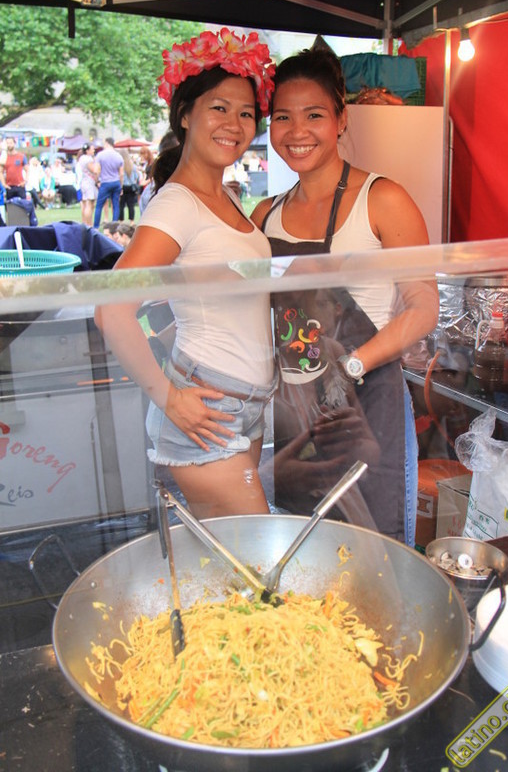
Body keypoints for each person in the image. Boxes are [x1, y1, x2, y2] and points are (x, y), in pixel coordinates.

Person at [252, 48, 439, 544]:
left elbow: (423, 306)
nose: (297, 131)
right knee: (301, 549)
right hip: (293, 415)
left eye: (314, 115)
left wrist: (351, 365)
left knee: (374, 553)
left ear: (341, 119)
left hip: (368, 405)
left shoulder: (383, 199)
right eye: (282, 117)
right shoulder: (264, 215)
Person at [95, 28, 276, 519]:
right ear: (185, 115)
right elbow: (111, 309)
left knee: (226, 552)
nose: (234, 124)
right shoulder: (177, 204)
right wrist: (168, 397)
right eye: (219, 107)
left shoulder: (227, 197)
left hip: (247, 406)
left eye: (246, 113)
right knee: (257, 555)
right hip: (209, 409)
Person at [93, 137, 124, 227]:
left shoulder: (100, 155)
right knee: (115, 205)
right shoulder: (119, 156)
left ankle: (96, 226)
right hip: (116, 182)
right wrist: (121, 186)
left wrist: (97, 181)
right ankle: (114, 226)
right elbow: (121, 174)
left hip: (105, 182)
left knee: (99, 205)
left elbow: (96, 171)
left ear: (106, 143)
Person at [76, 143, 99, 226]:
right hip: (89, 183)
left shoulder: (81, 158)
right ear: (87, 150)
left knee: (86, 204)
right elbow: (94, 170)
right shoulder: (88, 159)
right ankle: (89, 224)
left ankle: (86, 222)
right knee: (89, 204)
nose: (94, 151)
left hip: (84, 182)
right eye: (92, 149)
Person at [117, 148, 140, 221]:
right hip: (131, 187)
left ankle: (121, 220)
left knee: (121, 205)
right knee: (131, 205)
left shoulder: (119, 165)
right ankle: (132, 221)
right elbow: (136, 177)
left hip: (122, 186)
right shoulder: (132, 165)